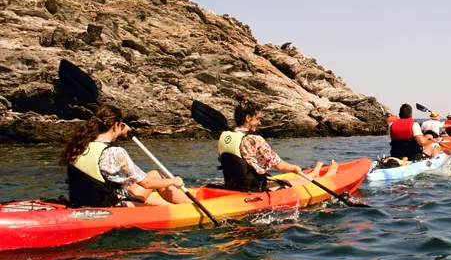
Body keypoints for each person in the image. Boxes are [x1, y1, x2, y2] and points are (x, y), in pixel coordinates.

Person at [59, 104, 192, 207]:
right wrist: (174, 181)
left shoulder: (80, 145)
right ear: (117, 125)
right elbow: (146, 183)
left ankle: (173, 208)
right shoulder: (114, 152)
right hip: (108, 206)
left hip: (80, 202)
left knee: (141, 189)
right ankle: (189, 207)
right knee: (155, 176)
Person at [218, 99, 337, 192]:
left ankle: (313, 173)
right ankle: (328, 175)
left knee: (282, 180)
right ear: (248, 118)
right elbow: (280, 166)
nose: (260, 122)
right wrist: (295, 168)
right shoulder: (255, 139)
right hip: (253, 189)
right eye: (258, 119)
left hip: (233, 185)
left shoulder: (225, 136)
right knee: (293, 182)